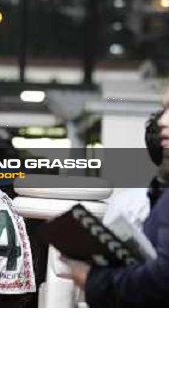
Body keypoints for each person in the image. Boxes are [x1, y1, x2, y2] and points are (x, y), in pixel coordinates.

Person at [65, 90, 169, 306]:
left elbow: (161, 277)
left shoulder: (128, 202)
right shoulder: (148, 197)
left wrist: (95, 281)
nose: (164, 121)